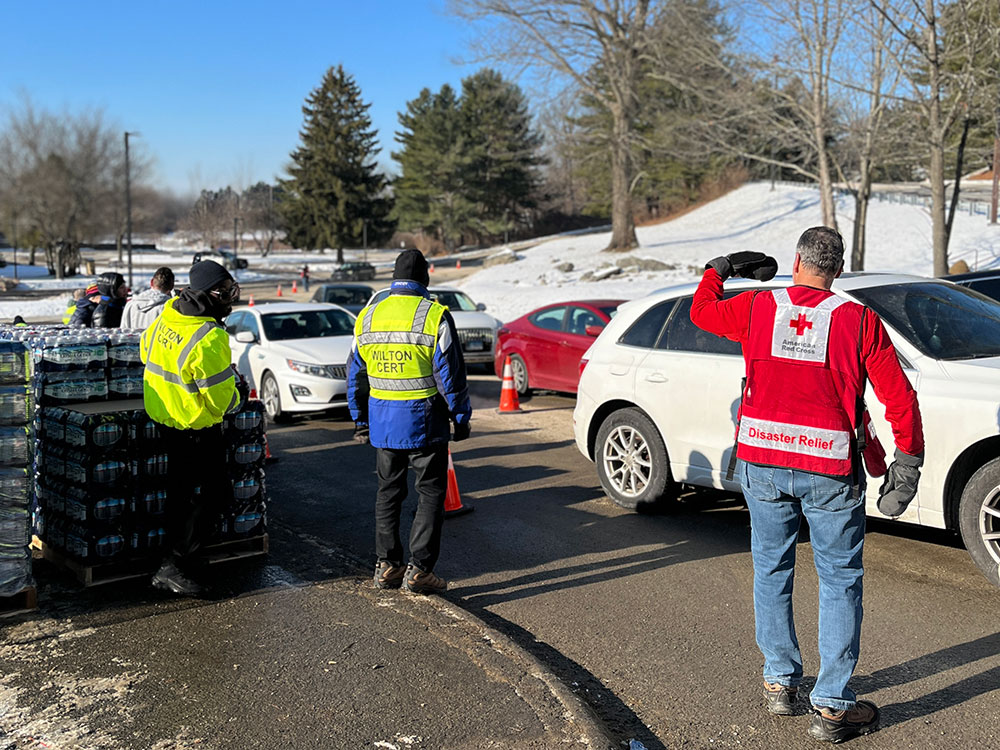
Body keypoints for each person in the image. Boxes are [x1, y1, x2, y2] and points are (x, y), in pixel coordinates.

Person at [689, 227, 924, 743]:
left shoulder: (757, 307)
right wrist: (908, 463)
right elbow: (899, 397)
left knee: (771, 568)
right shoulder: (859, 320)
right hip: (831, 471)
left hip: (763, 462)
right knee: (839, 579)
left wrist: (720, 268)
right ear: (838, 270)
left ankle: (780, 683)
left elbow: (701, 312)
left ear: (795, 262)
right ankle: (833, 706)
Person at [347, 249, 471, 595]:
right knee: (430, 494)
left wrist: (360, 419)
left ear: (393, 278)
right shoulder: (434, 316)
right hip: (425, 424)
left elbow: (355, 373)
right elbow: (451, 376)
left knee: (388, 493)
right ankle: (420, 571)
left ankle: (387, 565)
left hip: (383, 425)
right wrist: (460, 419)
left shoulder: (368, 316)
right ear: (425, 278)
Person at [139, 260, 245, 596]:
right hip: (196, 425)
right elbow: (219, 401)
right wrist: (237, 395)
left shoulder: (168, 314)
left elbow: (145, 353)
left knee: (180, 493)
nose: (230, 298)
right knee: (217, 494)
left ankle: (183, 557)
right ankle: (175, 563)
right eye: (226, 292)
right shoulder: (210, 337)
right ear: (210, 294)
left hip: (166, 417)